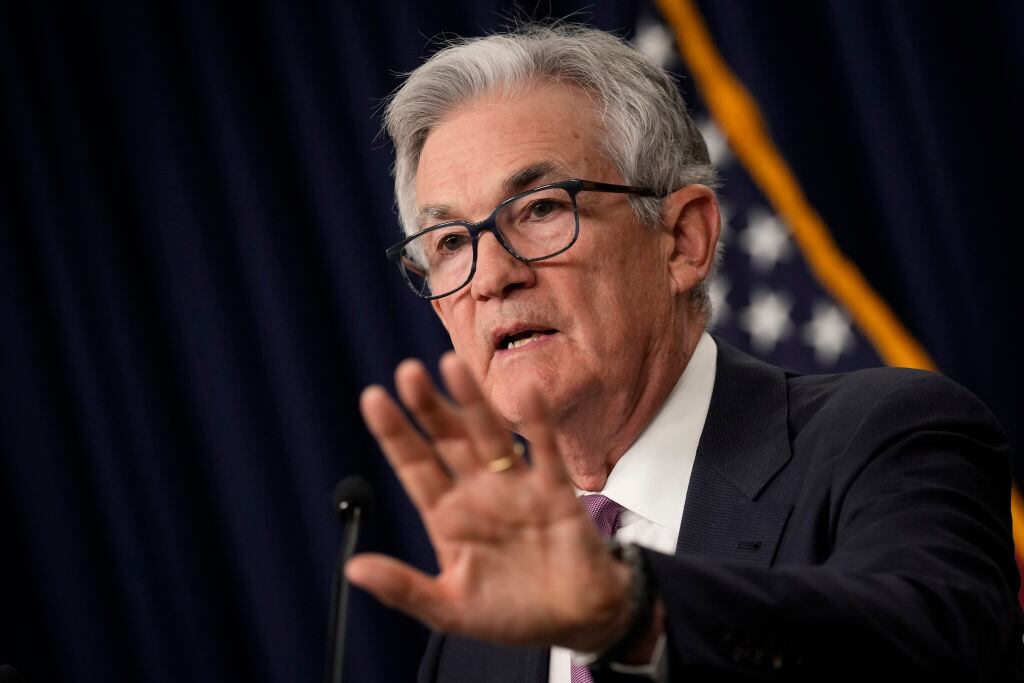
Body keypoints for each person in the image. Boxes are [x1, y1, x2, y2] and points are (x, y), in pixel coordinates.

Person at [345, 23, 1022, 682]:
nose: (491, 276)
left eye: (541, 208)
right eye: (451, 244)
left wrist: (631, 613)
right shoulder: (467, 649)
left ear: (682, 241)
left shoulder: (883, 438)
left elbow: (936, 641)